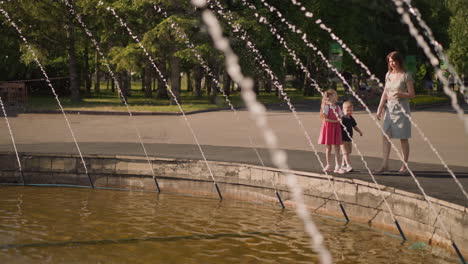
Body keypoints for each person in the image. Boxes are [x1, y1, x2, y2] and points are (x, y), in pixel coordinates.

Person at [376, 51, 415, 174]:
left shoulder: (406, 75)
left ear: (399, 61)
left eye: (394, 60)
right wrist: (380, 107)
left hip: (402, 109)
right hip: (390, 109)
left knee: (403, 138)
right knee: (385, 135)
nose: (392, 63)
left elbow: (412, 94)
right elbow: (385, 92)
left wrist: (400, 94)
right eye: (390, 61)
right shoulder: (388, 74)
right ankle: (385, 164)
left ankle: (405, 164)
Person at [318, 89, 345, 174]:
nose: (337, 96)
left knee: (337, 147)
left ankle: (337, 166)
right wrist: (336, 121)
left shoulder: (337, 107)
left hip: (336, 128)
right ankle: (328, 165)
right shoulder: (327, 107)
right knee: (328, 147)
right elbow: (325, 118)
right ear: (330, 97)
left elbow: (341, 116)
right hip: (329, 128)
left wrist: (340, 120)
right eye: (335, 95)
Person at [340, 101, 363, 172]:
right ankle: (348, 165)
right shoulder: (342, 118)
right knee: (345, 152)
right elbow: (337, 126)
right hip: (342, 138)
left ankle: (343, 165)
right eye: (347, 110)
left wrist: (359, 131)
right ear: (343, 110)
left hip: (349, 138)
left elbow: (354, 126)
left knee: (348, 152)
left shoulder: (351, 118)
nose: (349, 112)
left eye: (351, 110)